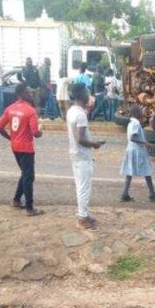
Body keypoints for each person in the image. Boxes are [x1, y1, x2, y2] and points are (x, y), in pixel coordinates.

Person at [0, 83, 44, 217]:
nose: (31, 94)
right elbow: (35, 133)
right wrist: (40, 131)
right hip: (26, 148)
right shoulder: (30, 111)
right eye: (28, 92)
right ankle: (30, 208)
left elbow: (0, 127)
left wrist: (10, 138)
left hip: (15, 146)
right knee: (29, 177)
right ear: (22, 94)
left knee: (25, 174)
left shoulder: (10, 108)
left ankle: (16, 200)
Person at [66, 84, 105, 229]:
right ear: (82, 95)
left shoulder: (72, 111)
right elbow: (81, 139)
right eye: (87, 92)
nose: (89, 95)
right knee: (84, 187)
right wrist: (94, 144)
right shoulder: (80, 115)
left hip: (75, 154)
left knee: (80, 186)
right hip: (82, 155)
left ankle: (84, 214)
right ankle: (82, 218)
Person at [119, 105, 155, 203]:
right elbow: (133, 138)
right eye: (141, 111)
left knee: (130, 172)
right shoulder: (136, 123)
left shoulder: (131, 123)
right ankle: (152, 194)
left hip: (131, 149)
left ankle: (125, 194)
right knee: (147, 171)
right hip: (137, 150)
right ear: (137, 113)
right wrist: (145, 143)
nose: (142, 113)